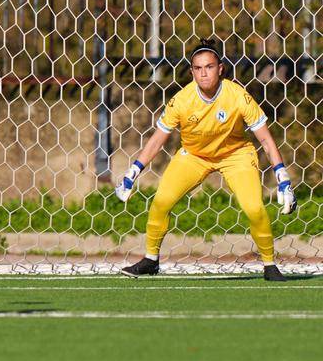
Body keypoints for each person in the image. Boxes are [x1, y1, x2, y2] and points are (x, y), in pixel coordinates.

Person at [116, 38, 296, 282]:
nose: (204, 73)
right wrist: (133, 172)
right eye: (198, 68)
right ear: (191, 72)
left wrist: (282, 176)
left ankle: (270, 265)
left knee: (255, 209)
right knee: (161, 202)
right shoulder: (181, 100)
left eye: (209, 67)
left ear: (220, 68)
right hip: (194, 156)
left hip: (236, 155)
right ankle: (151, 259)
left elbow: (265, 139)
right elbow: (157, 140)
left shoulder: (238, 96)